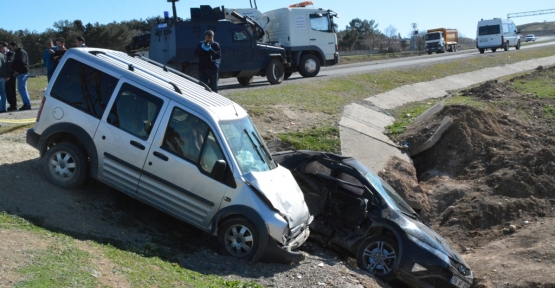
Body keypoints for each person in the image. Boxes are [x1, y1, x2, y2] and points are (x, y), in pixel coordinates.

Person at [9, 41, 31, 110]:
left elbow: (22, 62)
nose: (11, 49)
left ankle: (27, 104)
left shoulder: (21, 52)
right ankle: (26, 103)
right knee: (22, 89)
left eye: (11, 47)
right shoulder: (17, 53)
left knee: (22, 89)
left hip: (22, 73)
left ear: (15, 46)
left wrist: (17, 70)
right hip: (20, 73)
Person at [0, 41, 17, 111]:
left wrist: (9, 75)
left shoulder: (11, 53)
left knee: (11, 90)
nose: (1, 48)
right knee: (6, 91)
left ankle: (14, 105)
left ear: (5, 47)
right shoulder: (2, 55)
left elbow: (10, 65)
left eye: (2, 47)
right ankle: (9, 105)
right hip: (4, 76)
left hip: (11, 75)